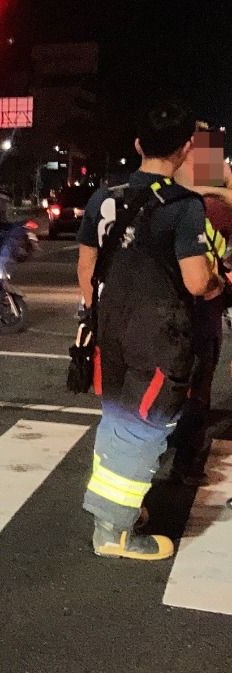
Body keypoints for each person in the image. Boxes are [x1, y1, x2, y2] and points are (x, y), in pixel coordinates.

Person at [75, 102, 222, 560]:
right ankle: (115, 533)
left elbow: (86, 269)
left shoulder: (104, 194)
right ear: (185, 150)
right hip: (158, 334)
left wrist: (98, 315)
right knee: (145, 429)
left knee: (118, 418)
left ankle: (111, 510)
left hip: (111, 329)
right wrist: (220, 280)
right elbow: (198, 281)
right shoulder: (184, 206)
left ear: (138, 145)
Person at [163, 127, 232, 486]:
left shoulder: (165, 196)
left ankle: (170, 450)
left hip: (170, 304)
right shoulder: (208, 204)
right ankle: (185, 460)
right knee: (196, 382)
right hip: (201, 301)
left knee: (170, 379)